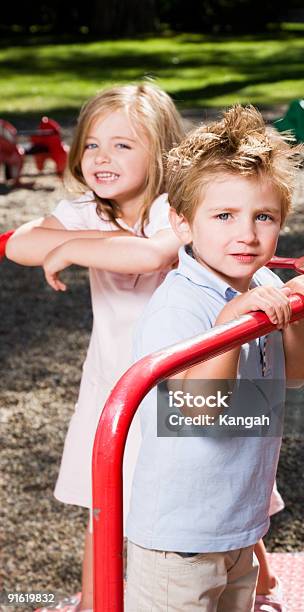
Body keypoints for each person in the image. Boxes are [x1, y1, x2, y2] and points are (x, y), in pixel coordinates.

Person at [124, 104, 304, 611]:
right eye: (224, 216)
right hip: (180, 538)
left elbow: (298, 376)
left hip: (239, 523)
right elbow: (200, 414)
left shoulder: (263, 283)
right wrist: (231, 328)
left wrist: (297, 309)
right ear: (184, 223)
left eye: (264, 216)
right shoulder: (180, 305)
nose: (247, 234)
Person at [5, 83, 184, 612]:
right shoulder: (87, 209)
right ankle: (95, 601)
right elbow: (18, 245)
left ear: (163, 153)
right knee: (104, 502)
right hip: (112, 381)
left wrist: (72, 247)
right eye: (92, 145)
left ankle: (260, 579)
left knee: (211, 494)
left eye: (124, 145)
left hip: (188, 381)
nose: (102, 158)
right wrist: (72, 241)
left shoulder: (178, 206)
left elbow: (152, 256)